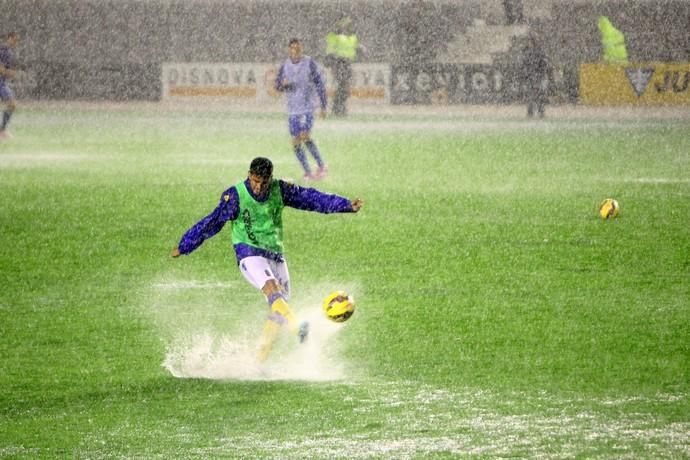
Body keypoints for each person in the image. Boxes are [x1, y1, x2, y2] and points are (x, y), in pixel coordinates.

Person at [171, 157, 364, 363]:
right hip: (248, 253)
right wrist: (185, 245)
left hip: (275, 254)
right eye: (255, 181)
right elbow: (212, 222)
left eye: (263, 182)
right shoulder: (235, 196)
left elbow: (312, 199)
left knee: (278, 311)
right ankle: (298, 327)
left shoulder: (280, 189)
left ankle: (258, 362)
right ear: (249, 175)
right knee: (272, 290)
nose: (259, 187)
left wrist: (345, 205)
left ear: (270, 178)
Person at [275, 38, 328, 181]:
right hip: (292, 111)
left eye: (298, 48)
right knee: (295, 141)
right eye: (292, 48)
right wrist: (283, 85)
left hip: (307, 108)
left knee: (304, 135)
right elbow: (277, 86)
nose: (295, 51)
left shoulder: (309, 63)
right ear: (289, 50)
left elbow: (319, 84)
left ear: (301, 49)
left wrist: (323, 105)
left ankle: (322, 166)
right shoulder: (285, 66)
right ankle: (308, 172)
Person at [324, 16, 364, 117]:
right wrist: (330, 58)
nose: (350, 26)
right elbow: (330, 48)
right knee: (343, 85)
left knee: (344, 87)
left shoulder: (351, 37)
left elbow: (352, 47)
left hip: (347, 63)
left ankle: (338, 107)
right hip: (339, 62)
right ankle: (339, 107)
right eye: (347, 24)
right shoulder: (335, 35)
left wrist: (359, 48)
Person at [521, 34, 551, 118]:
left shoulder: (529, 53)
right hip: (537, 76)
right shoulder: (539, 52)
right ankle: (539, 112)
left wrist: (527, 75)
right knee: (538, 95)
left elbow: (525, 65)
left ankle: (532, 112)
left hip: (533, 76)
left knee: (532, 96)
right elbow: (544, 64)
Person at [0, 32, 20, 140]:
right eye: (15, 40)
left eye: (17, 41)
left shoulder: (8, 52)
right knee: (11, 104)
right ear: (9, 38)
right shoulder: (3, 51)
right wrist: (12, 73)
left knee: (12, 104)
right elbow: (1, 69)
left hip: (1, 83)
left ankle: (2, 130)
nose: (16, 43)